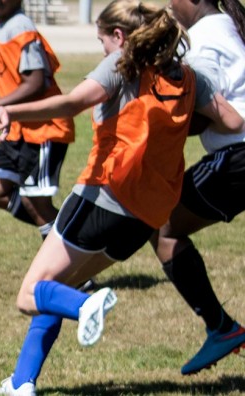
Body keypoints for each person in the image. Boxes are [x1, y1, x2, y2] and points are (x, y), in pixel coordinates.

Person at [0, 1, 244, 394]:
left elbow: (73, 103)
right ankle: (22, 382)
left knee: (29, 294)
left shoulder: (123, 66)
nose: (102, 50)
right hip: (144, 215)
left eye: (102, 41)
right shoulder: (189, 77)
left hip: (103, 195)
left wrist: (13, 111)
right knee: (57, 286)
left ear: (121, 37)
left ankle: (86, 307)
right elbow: (232, 121)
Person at [150, 0, 245, 376]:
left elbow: (210, 109)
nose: (170, 6)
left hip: (237, 157)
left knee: (163, 226)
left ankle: (221, 329)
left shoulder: (203, 40)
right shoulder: (231, 25)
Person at [0, 0, 76, 241]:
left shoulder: (21, 28)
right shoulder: (3, 23)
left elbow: (35, 82)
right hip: (19, 127)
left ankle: (74, 267)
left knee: (35, 201)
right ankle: (68, 236)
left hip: (44, 128)